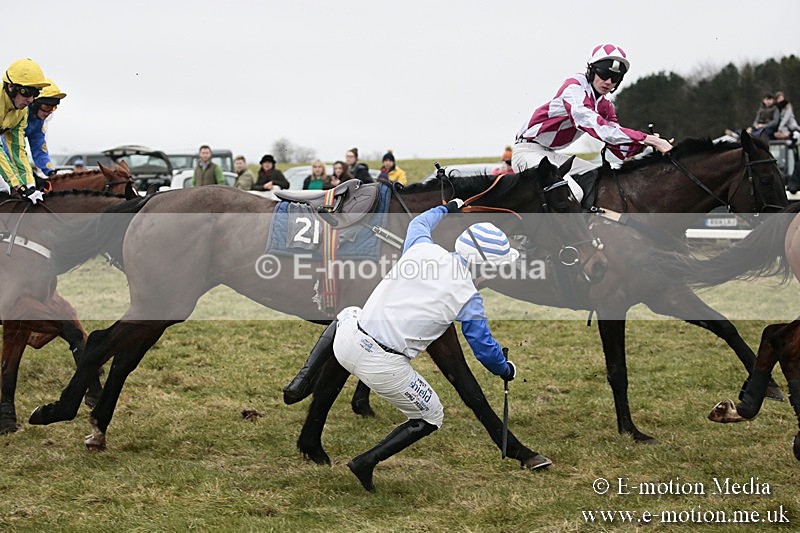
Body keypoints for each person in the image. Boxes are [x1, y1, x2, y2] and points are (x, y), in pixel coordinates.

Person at [283, 201, 533, 492]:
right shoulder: (469, 298)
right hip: (383, 367)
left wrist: (448, 207)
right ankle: (366, 462)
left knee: (349, 311)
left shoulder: (421, 247)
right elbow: (485, 349)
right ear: (485, 266)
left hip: (345, 342)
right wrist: (507, 369)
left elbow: (420, 223)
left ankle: (303, 378)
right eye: (495, 268)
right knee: (431, 416)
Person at [513, 44, 672, 202]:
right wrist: (650, 139)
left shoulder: (606, 106)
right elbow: (599, 128)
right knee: (572, 192)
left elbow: (617, 147)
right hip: (527, 152)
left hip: (550, 154)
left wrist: (646, 146)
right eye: (604, 74)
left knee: (600, 179)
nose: (609, 81)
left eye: (615, 78)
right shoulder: (574, 87)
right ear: (591, 70)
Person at [0, 58, 50, 203]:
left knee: (3, 189)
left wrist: (29, 184)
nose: (31, 100)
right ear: (10, 87)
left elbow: (18, 150)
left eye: (36, 93)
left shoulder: (22, 112)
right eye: (27, 92)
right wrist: (19, 186)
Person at [23, 78, 66, 177]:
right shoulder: (19, 114)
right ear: (34, 103)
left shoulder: (38, 123)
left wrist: (51, 172)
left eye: (53, 108)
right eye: (47, 107)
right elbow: (10, 147)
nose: (49, 112)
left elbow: (39, 150)